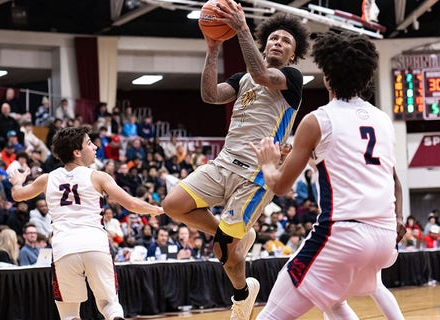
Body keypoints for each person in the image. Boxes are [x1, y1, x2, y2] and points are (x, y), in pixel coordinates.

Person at [161, 6, 310, 319]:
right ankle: (234, 236)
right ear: (264, 43)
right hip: (224, 162)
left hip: (255, 174)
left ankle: (242, 295)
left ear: (292, 57)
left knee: (226, 257)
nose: (278, 43)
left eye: (286, 41)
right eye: (273, 38)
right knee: (172, 205)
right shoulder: (243, 79)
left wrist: (242, 28)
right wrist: (213, 49)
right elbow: (211, 95)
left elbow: (262, 74)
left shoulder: (291, 79)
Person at [251, 30, 405, 319]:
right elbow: (388, 177)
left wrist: (268, 164)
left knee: (272, 314)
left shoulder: (318, 120)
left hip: (345, 235)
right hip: (385, 238)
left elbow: (281, 186)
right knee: (332, 302)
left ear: (327, 76)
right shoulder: (383, 120)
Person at [9, 126, 163, 320]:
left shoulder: (47, 179)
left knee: (69, 313)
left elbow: (17, 195)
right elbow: (131, 203)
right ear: (77, 152)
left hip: (64, 248)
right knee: (110, 305)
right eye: (90, 143)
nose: (96, 147)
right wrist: (154, 209)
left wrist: (17, 180)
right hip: (94, 244)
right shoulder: (98, 176)